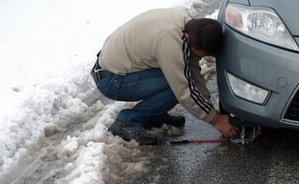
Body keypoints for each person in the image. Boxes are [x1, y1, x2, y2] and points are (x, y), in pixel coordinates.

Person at [91, 8, 240, 145]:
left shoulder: (191, 27)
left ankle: (152, 114)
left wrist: (211, 108)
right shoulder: (171, 41)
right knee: (176, 84)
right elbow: (184, 90)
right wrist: (216, 120)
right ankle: (126, 121)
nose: (199, 58)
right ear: (188, 39)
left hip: (118, 68)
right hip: (112, 80)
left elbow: (192, 68)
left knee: (182, 77)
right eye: (199, 54)